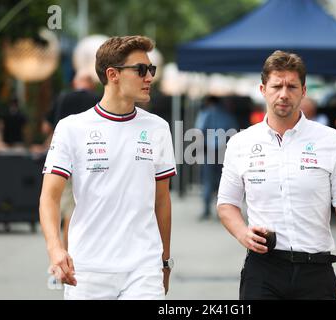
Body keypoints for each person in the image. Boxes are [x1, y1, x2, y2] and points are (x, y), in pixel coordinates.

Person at [217, 50, 336, 300]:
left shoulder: (331, 141)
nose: (284, 94)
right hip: (263, 269)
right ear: (263, 90)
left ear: (304, 91)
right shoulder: (241, 143)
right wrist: (243, 233)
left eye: (292, 86)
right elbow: (226, 204)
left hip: (316, 271)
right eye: (276, 86)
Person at [39, 35, 176, 300]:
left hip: (143, 268)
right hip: (88, 269)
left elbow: (162, 200)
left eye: (151, 70)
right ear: (113, 74)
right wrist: (56, 249)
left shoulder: (159, 128)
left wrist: (165, 261)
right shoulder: (71, 128)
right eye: (141, 70)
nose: (149, 77)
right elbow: (49, 196)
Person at [40, 70, 101, 250]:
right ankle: (78, 255)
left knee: (68, 212)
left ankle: (67, 256)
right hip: (92, 159)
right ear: (91, 84)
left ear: (75, 83)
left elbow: (46, 127)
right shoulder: (97, 99)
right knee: (85, 211)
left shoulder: (62, 98)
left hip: (64, 159)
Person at [195, 95, 238, 220]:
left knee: (207, 181)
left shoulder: (206, 113)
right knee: (223, 182)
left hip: (209, 151)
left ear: (209, 102)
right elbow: (234, 132)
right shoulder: (227, 114)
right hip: (224, 151)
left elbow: (199, 131)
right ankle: (223, 211)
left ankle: (206, 210)